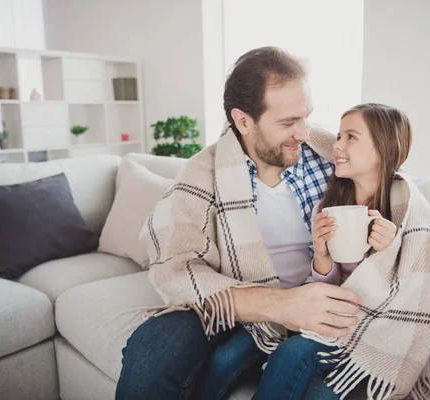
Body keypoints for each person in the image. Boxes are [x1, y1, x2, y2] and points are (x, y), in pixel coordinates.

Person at [115, 46, 361, 400]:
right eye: (288, 122)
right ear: (243, 121)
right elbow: (174, 268)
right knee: (150, 351)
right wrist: (281, 305)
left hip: (315, 301)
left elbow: (391, 188)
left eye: (305, 117)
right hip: (232, 303)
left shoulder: (330, 158)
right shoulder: (205, 173)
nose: (304, 133)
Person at [256, 104, 430, 399]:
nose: (337, 145)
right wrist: (322, 255)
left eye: (351, 137)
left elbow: (420, 287)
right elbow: (328, 295)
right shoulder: (329, 206)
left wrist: (391, 253)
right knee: (293, 355)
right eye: (338, 136)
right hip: (342, 324)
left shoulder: (408, 213)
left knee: (306, 369)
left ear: (384, 148)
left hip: (385, 329)